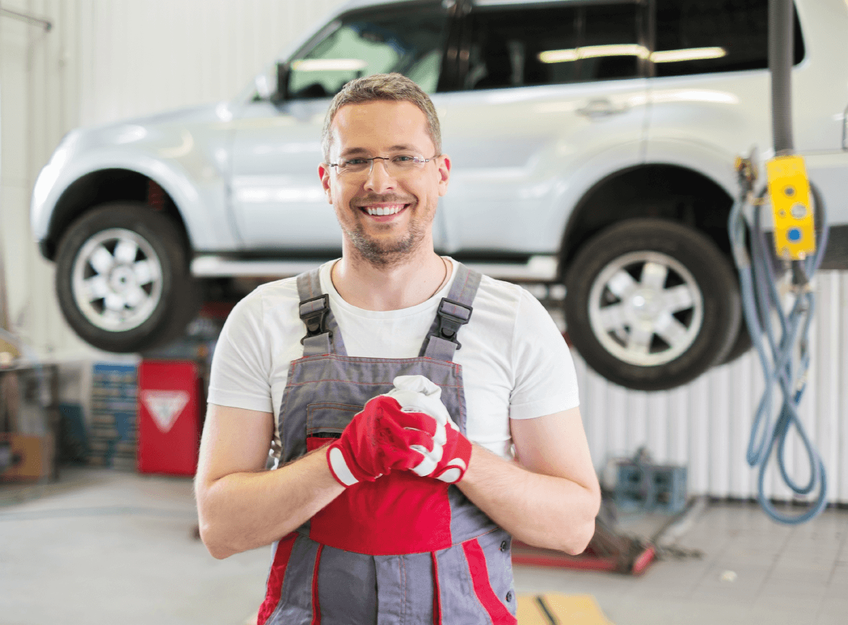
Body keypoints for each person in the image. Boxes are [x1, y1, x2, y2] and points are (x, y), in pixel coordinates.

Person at [195, 72, 601, 625]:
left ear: (441, 173)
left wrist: (459, 458)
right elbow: (220, 528)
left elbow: (574, 527)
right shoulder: (263, 320)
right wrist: (338, 463)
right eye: (355, 160)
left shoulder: (515, 322)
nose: (379, 181)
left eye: (404, 157)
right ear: (326, 180)